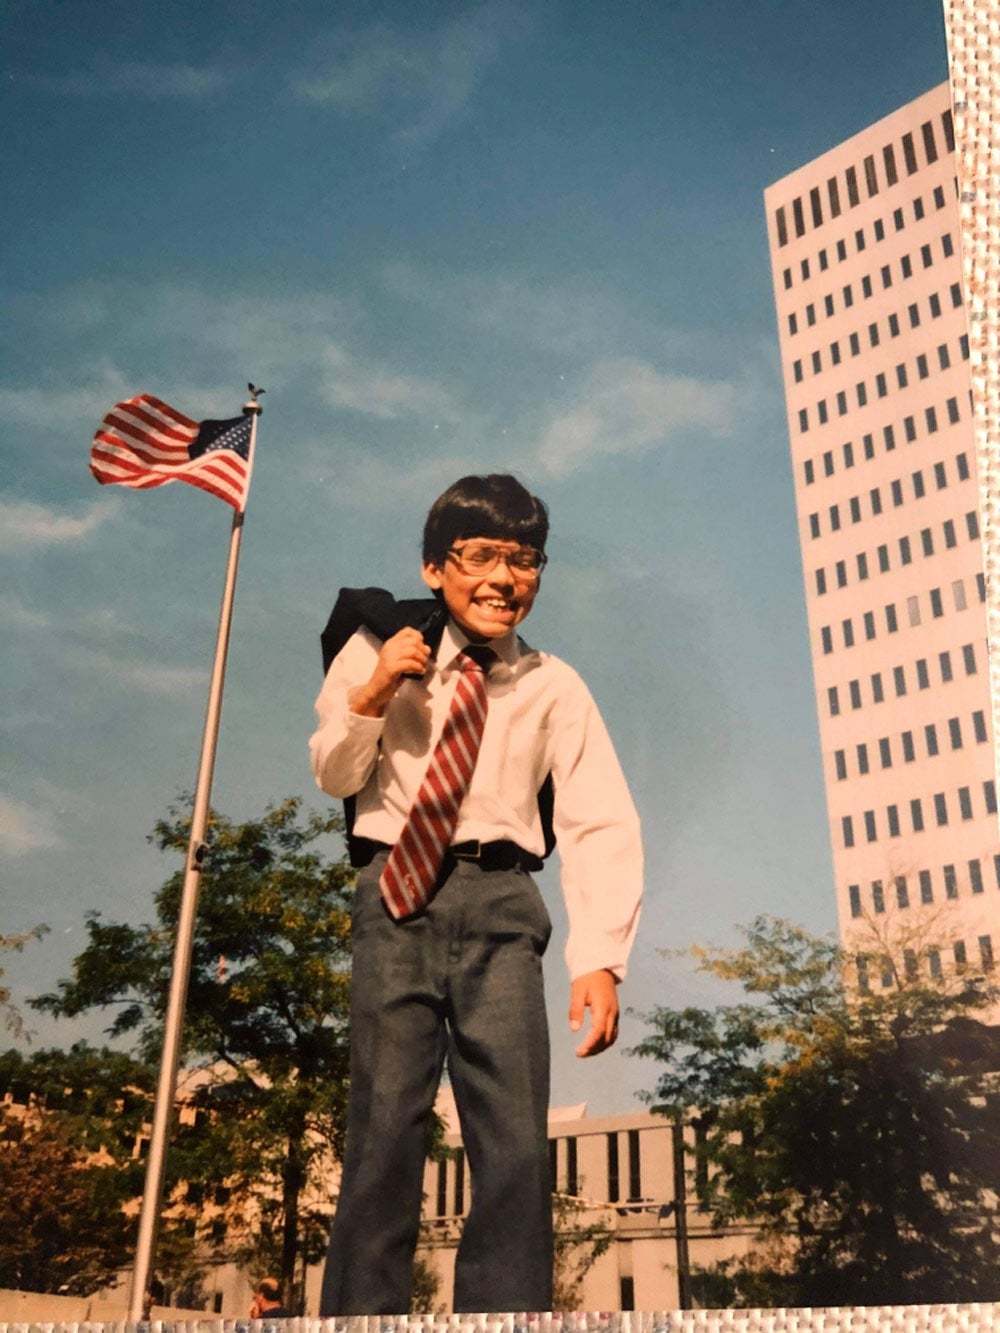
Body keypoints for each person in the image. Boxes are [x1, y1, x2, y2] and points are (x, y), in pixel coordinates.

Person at [310, 474, 642, 1314]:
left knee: (516, 1142)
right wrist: (377, 689)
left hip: (502, 906)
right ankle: (359, 1318)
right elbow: (334, 771)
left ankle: (505, 1316)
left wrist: (598, 959)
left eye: (524, 560)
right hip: (396, 899)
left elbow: (599, 817)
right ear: (434, 567)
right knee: (385, 1129)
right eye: (482, 556)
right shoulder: (376, 646)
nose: (504, 578)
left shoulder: (553, 685)